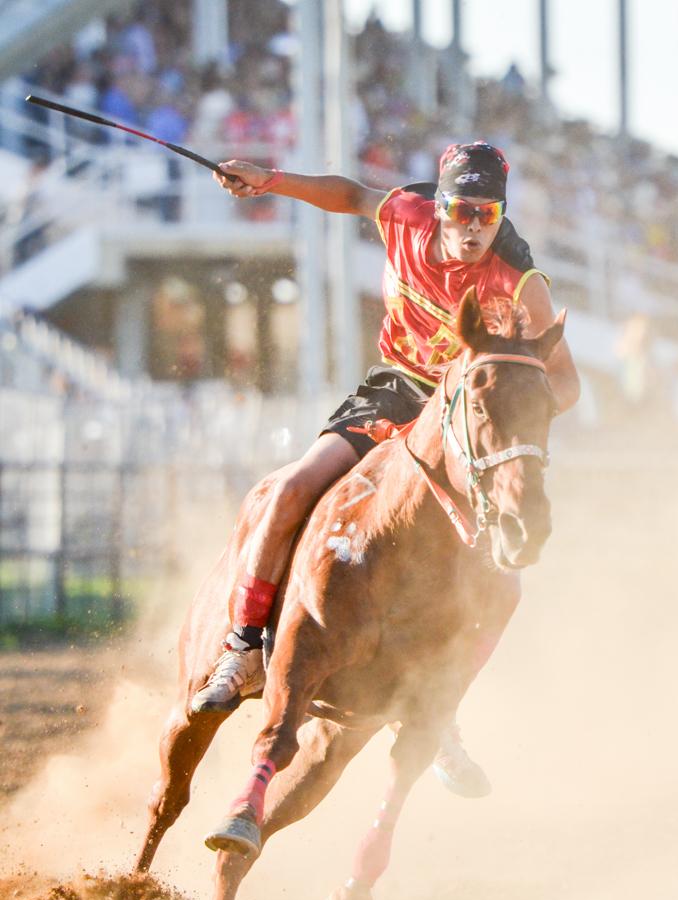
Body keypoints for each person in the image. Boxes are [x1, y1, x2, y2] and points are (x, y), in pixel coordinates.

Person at [192, 141, 580, 795]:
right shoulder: (406, 212)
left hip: (463, 424)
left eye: (487, 213)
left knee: (500, 587)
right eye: (461, 209)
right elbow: (348, 195)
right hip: (394, 392)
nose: (473, 225)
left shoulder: (522, 283)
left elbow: (563, 383)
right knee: (291, 489)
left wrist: (514, 413)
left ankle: (437, 717)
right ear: (440, 203)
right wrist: (269, 180)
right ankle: (241, 646)